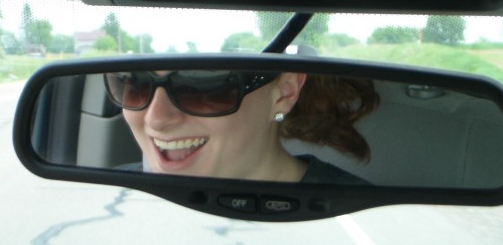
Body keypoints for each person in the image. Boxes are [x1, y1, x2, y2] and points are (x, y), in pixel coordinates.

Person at [104, 70, 379, 183]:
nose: (156, 119)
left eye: (201, 86)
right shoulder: (109, 194)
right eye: (136, 84)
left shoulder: (364, 218)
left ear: (284, 93)